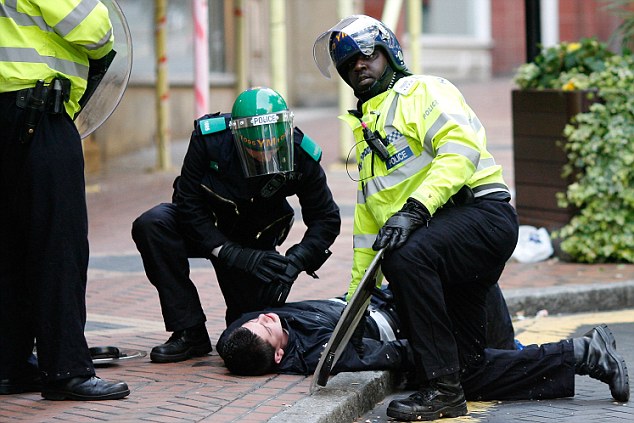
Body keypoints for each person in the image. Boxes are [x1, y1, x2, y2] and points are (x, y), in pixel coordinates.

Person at [313, 15, 629, 421]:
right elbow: (369, 235)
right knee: (469, 371)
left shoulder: (422, 91)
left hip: (482, 216)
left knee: (406, 256)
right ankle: (584, 353)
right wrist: (355, 309)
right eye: (347, 62)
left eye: (366, 55)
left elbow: (459, 149)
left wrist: (414, 209)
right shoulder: (366, 136)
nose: (357, 65)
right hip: (443, 240)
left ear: (389, 53)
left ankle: (441, 391)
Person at [132, 87, 341, 364]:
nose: (265, 153)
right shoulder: (210, 138)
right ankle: (188, 331)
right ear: (237, 135)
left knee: (244, 335)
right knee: (152, 224)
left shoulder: (300, 151)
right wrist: (227, 252)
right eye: (256, 148)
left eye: (273, 145)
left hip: (254, 239)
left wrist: (296, 261)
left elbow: (326, 218)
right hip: (201, 226)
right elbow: (187, 202)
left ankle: (243, 309)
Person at [0, 1, 129, 400]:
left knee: (10, 246)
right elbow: (95, 28)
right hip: (39, 113)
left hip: (8, 113)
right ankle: (67, 370)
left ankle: (10, 365)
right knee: (60, 244)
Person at [216, 291, 411, 376]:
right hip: (391, 315)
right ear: (278, 355)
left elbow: (230, 337)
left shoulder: (242, 339)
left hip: (359, 298)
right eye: (266, 327)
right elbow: (383, 354)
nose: (264, 317)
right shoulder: (318, 352)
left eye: (253, 321)